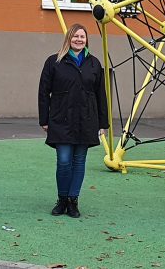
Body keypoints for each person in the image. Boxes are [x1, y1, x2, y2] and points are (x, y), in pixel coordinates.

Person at [38, 23, 108, 218]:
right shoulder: (54, 62)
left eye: (82, 37)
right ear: (68, 38)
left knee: (79, 162)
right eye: (75, 36)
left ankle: (73, 201)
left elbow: (100, 94)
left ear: (86, 40)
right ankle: (62, 199)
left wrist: (103, 123)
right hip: (61, 119)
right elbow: (44, 92)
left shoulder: (94, 64)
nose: (79, 39)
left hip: (86, 120)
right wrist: (44, 119)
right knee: (64, 161)